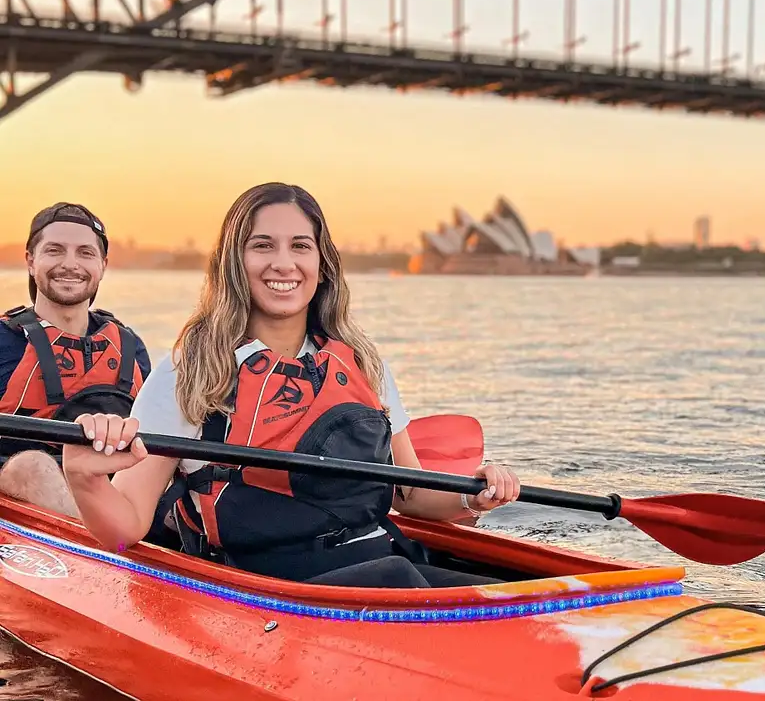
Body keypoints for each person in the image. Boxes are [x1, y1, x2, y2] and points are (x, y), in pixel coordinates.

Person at [63, 183, 521, 589]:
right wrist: (84, 478)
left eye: (300, 246)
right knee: (398, 579)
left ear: (322, 264)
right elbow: (125, 529)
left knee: (534, 591)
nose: (284, 263)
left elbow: (412, 494)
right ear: (233, 263)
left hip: (380, 559)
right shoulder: (192, 369)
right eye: (262, 245)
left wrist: (471, 492)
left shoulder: (362, 362)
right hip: (270, 590)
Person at [0, 202, 151, 518]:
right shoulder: (4, 339)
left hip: (110, 481)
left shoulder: (130, 346)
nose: (70, 264)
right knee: (33, 466)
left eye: (85, 253)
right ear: (30, 261)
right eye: (55, 250)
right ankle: (105, 554)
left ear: (103, 265)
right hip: (22, 481)